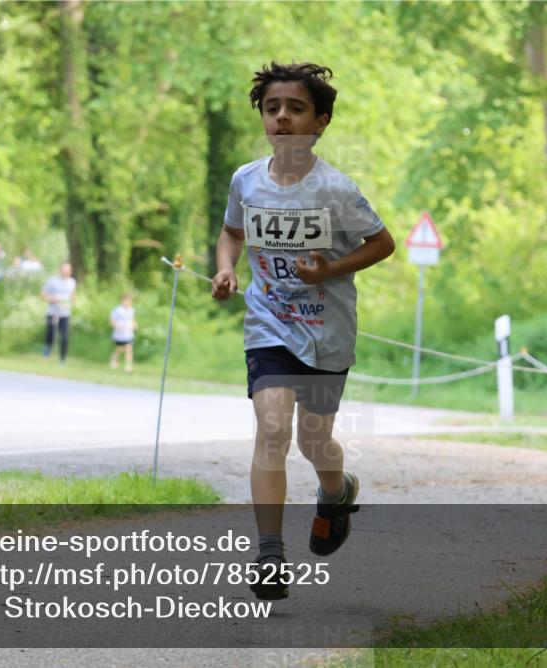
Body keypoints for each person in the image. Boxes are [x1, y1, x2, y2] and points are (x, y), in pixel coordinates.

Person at [212, 62, 396, 600]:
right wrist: (226, 268)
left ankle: (336, 492)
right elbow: (230, 232)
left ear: (320, 122)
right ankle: (270, 554)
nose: (282, 118)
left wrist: (328, 270)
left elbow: (382, 244)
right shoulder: (246, 180)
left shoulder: (336, 189)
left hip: (326, 334)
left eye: (296, 109)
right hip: (268, 324)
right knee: (272, 431)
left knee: (316, 441)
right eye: (272, 108)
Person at [41, 261, 76, 363]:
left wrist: (70, 301)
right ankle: (46, 353)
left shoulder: (72, 282)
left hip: (65, 314)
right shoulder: (52, 281)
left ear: (70, 271)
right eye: (64, 269)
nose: (65, 271)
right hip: (52, 313)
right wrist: (53, 299)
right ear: (60, 270)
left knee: (65, 336)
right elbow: (42, 295)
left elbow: (73, 297)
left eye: (67, 270)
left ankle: (62, 360)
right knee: (51, 335)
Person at [109, 293, 138, 372]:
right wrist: (117, 327)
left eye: (129, 301)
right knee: (119, 349)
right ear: (122, 301)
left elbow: (132, 319)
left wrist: (135, 325)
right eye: (126, 301)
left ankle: (128, 366)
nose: (128, 303)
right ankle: (114, 359)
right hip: (119, 334)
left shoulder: (131, 310)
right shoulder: (117, 310)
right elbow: (112, 321)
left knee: (129, 348)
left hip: (128, 333)